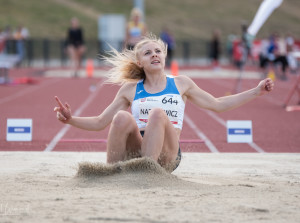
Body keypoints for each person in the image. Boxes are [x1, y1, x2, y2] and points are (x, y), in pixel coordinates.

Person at [54, 34, 274, 172]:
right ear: (140, 62)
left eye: (158, 51)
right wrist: (70, 119)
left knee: (158, 114)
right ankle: (112, 174)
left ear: (164, 56)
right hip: (138, 149)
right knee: (121, 117)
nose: (155, 55)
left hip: (167, 154)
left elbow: (217, 104)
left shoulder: (181, 84)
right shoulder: (130, 89)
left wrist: (256, 92)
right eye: (148, 53)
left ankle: (148, 174)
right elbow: (101, 121)